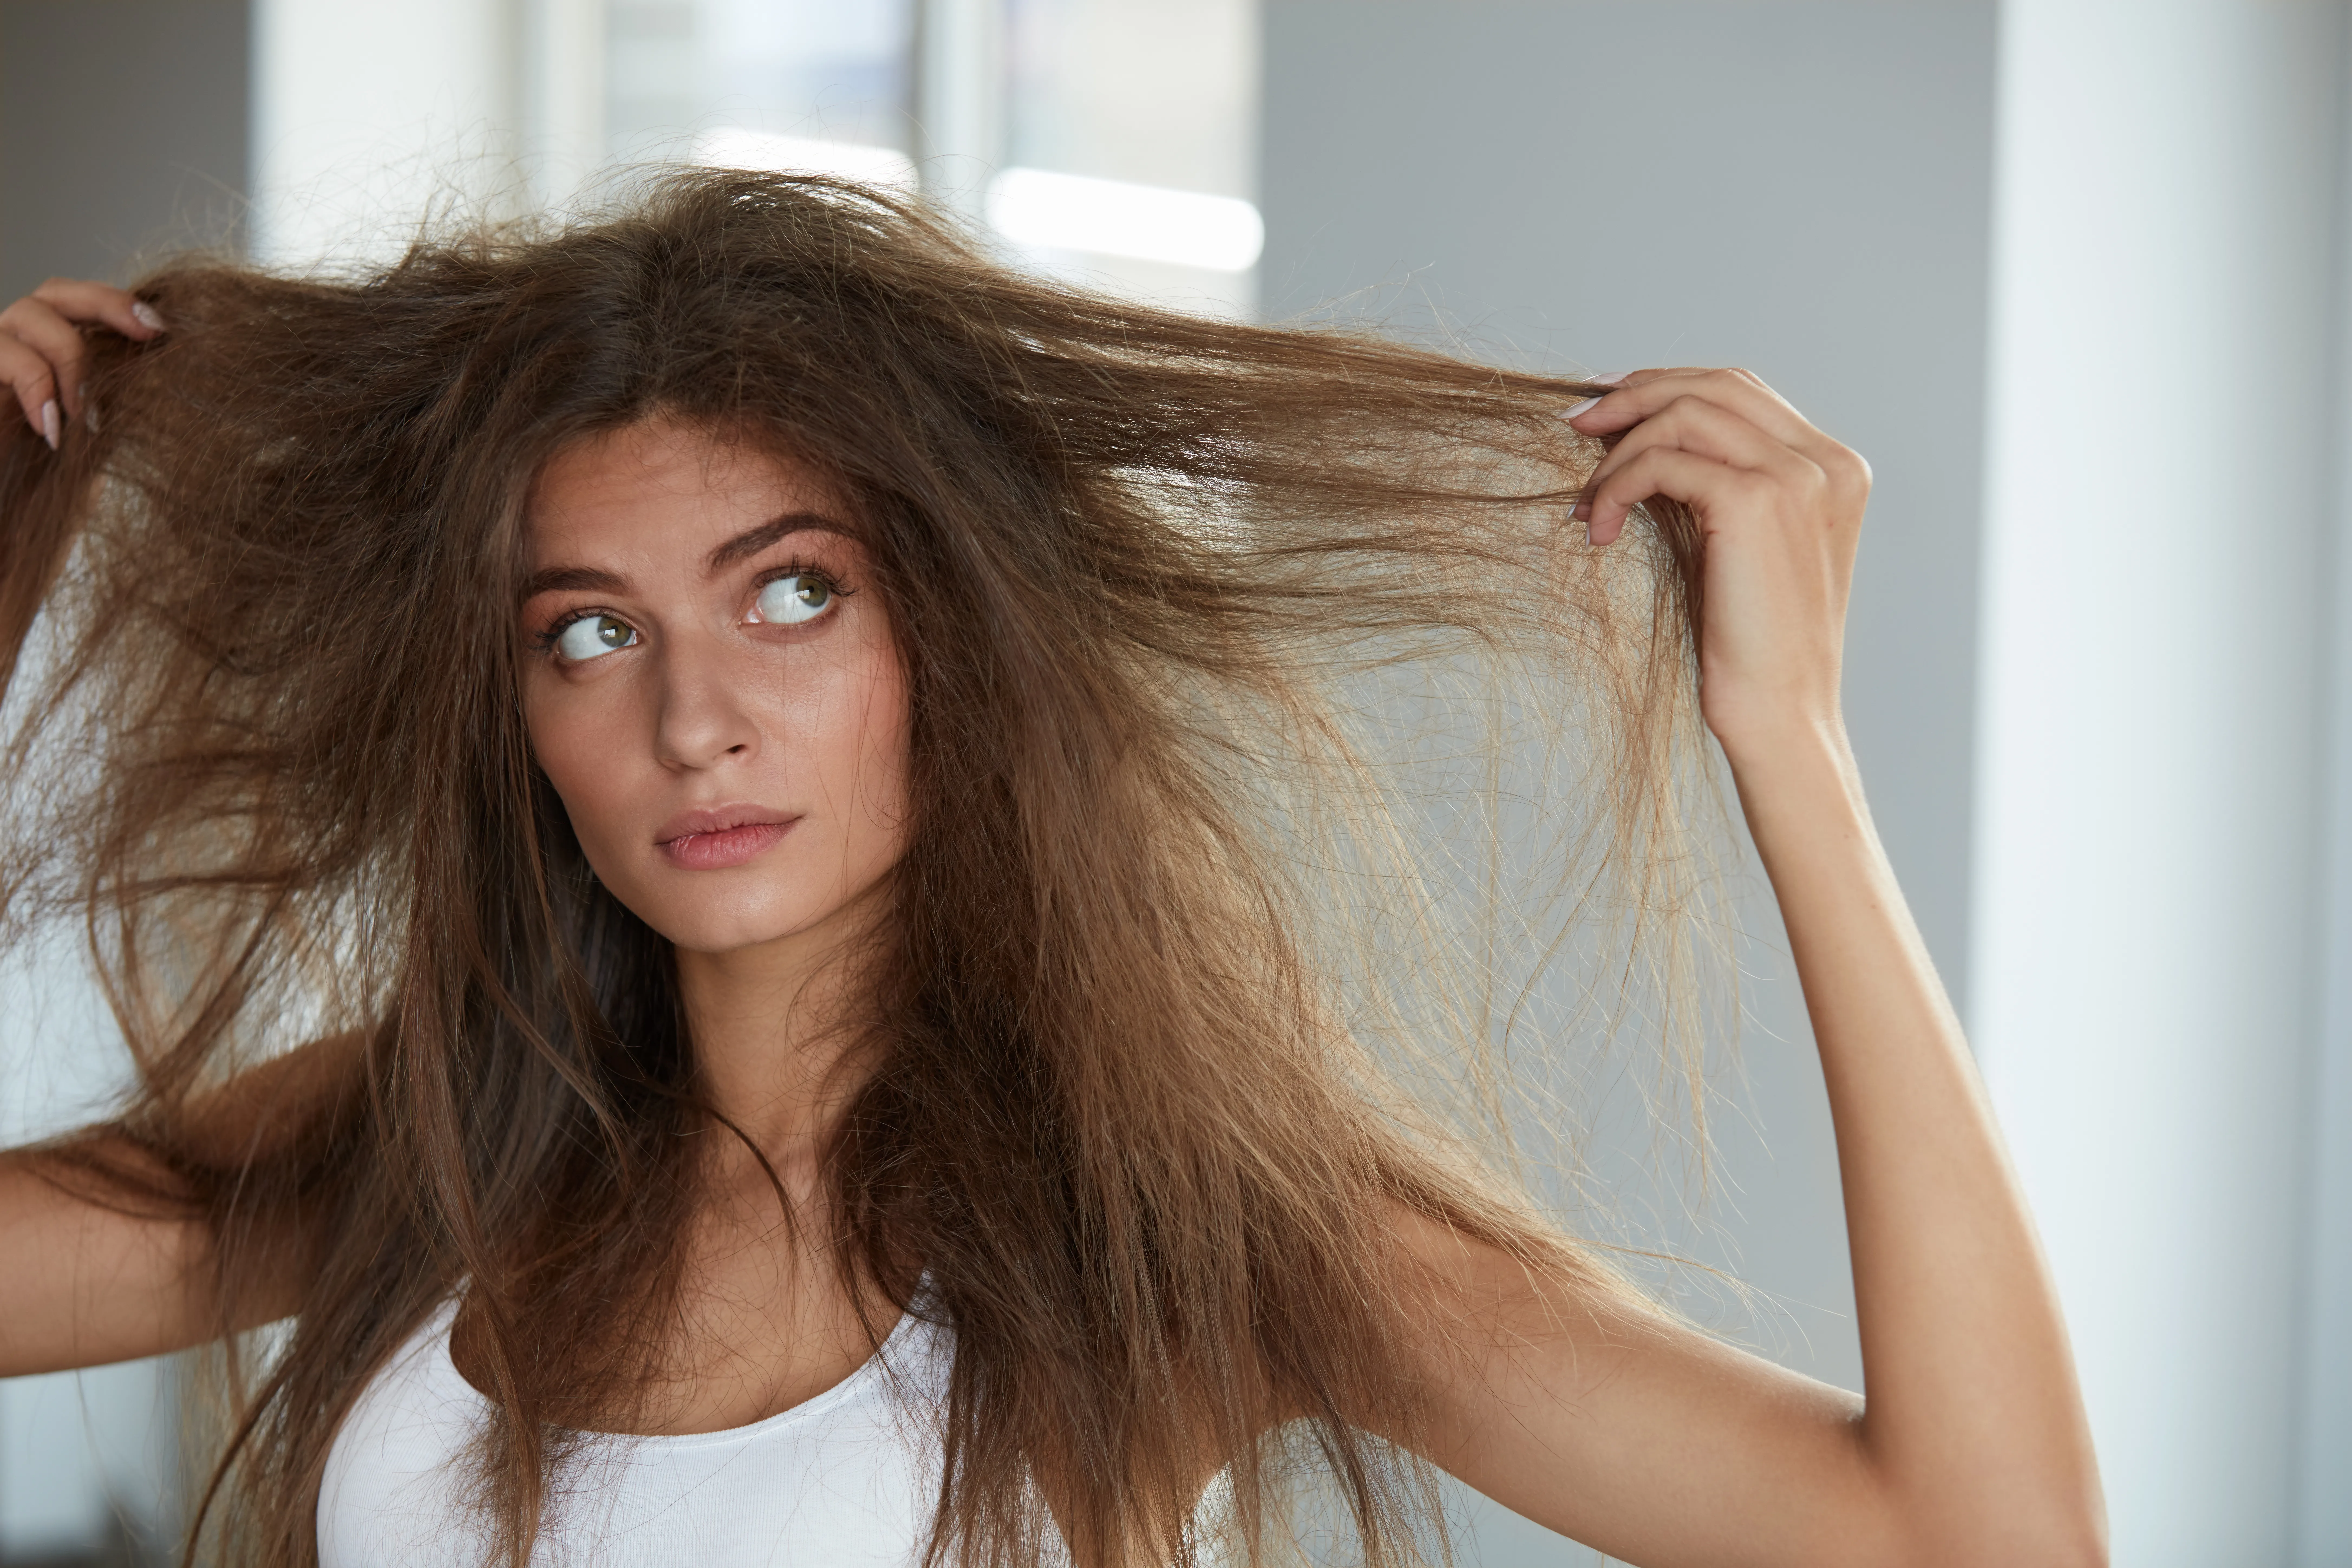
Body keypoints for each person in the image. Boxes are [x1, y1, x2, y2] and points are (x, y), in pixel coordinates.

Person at [0, 172, 2101, 1568]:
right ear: (514, 708)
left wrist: (1793, 748)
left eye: (794, 594)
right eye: (592, 630)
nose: (694, 717)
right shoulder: (429, 1136)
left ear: (957, 630)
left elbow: (1982, 1541)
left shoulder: (1174, 1224)